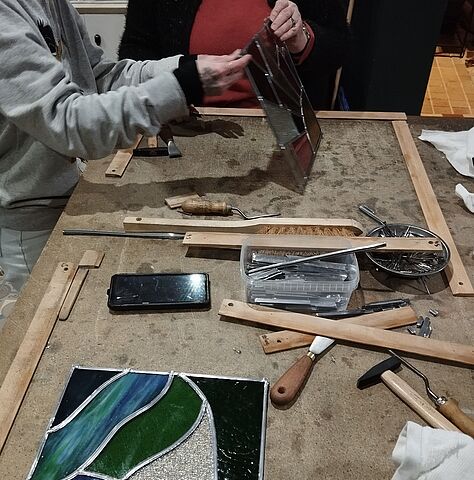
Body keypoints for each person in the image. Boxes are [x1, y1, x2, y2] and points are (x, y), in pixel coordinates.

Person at [0, 0, 250, 328]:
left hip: (71, 193)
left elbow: (99, 77)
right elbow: (70, 124)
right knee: (46, 327)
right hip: (31, 212)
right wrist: (180, 86)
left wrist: (182, 66)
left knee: (85, 320)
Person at [118, 0, 351, 109]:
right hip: (184, 123)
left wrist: (301, 38)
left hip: (281, 128)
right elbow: (135, 50)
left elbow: (339, 45)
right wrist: (169, 94)